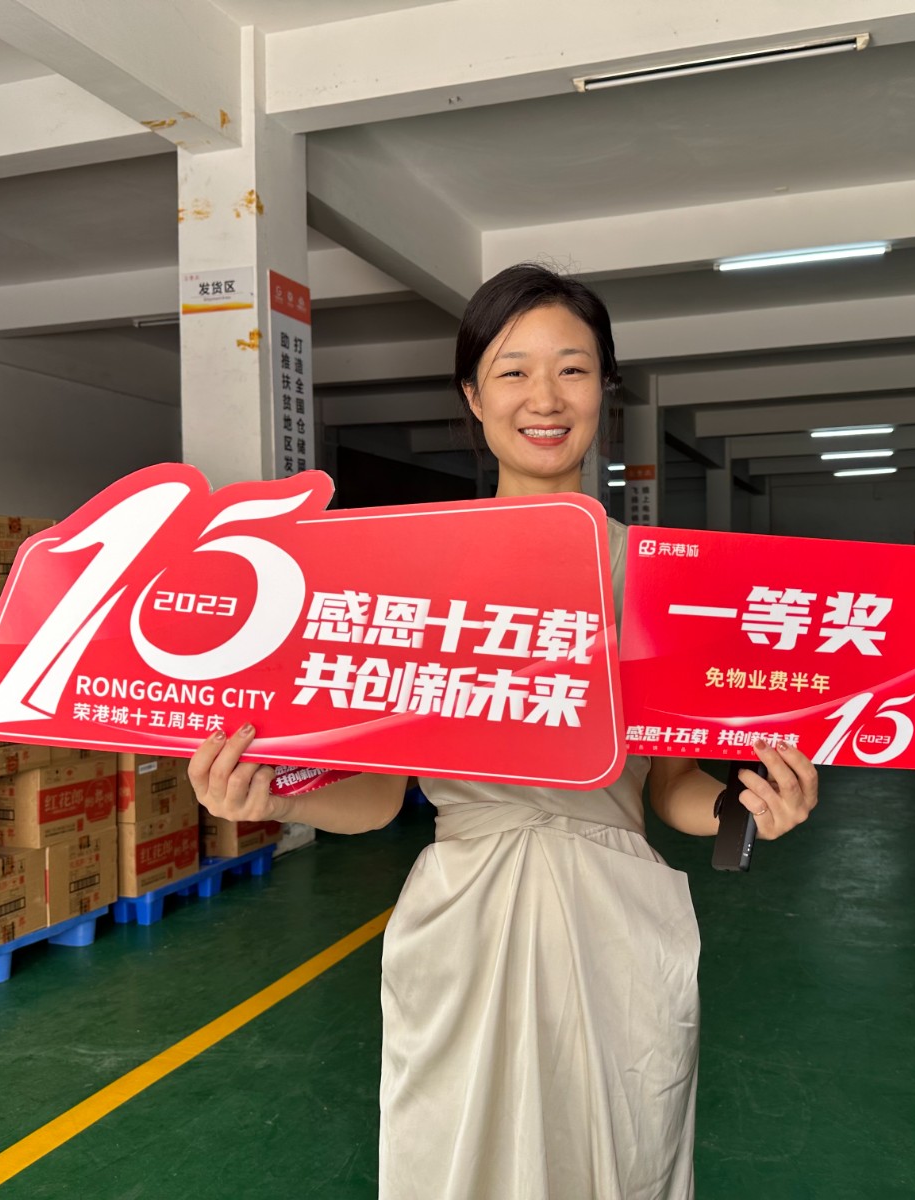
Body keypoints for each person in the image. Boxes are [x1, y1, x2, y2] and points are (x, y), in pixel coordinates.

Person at [189, 263, 819, 1198]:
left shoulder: (658, 578)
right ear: (473, 397)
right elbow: (379, 798)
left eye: (572, 369)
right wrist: (272, 798)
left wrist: (751, 807)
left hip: (616, 919)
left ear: (605, 390)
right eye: (513, 371)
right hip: (463, 916)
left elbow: (667, 786)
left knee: (618, 1164)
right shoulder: (413, 571)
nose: (544, 398)